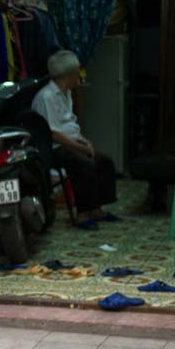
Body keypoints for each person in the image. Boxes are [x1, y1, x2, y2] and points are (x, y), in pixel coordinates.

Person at [32, 50, 118, 228]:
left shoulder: (67, 93)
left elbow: (69, 125)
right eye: (78, 70)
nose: (80, 73)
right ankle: (83, 213)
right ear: (69, 74)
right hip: (54, 148)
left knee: (104, 161)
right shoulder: (46, 97)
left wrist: (83, 141)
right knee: (82, 164)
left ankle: (96, 208)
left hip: (70, 144)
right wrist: (79, 148)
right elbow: (53, 133)